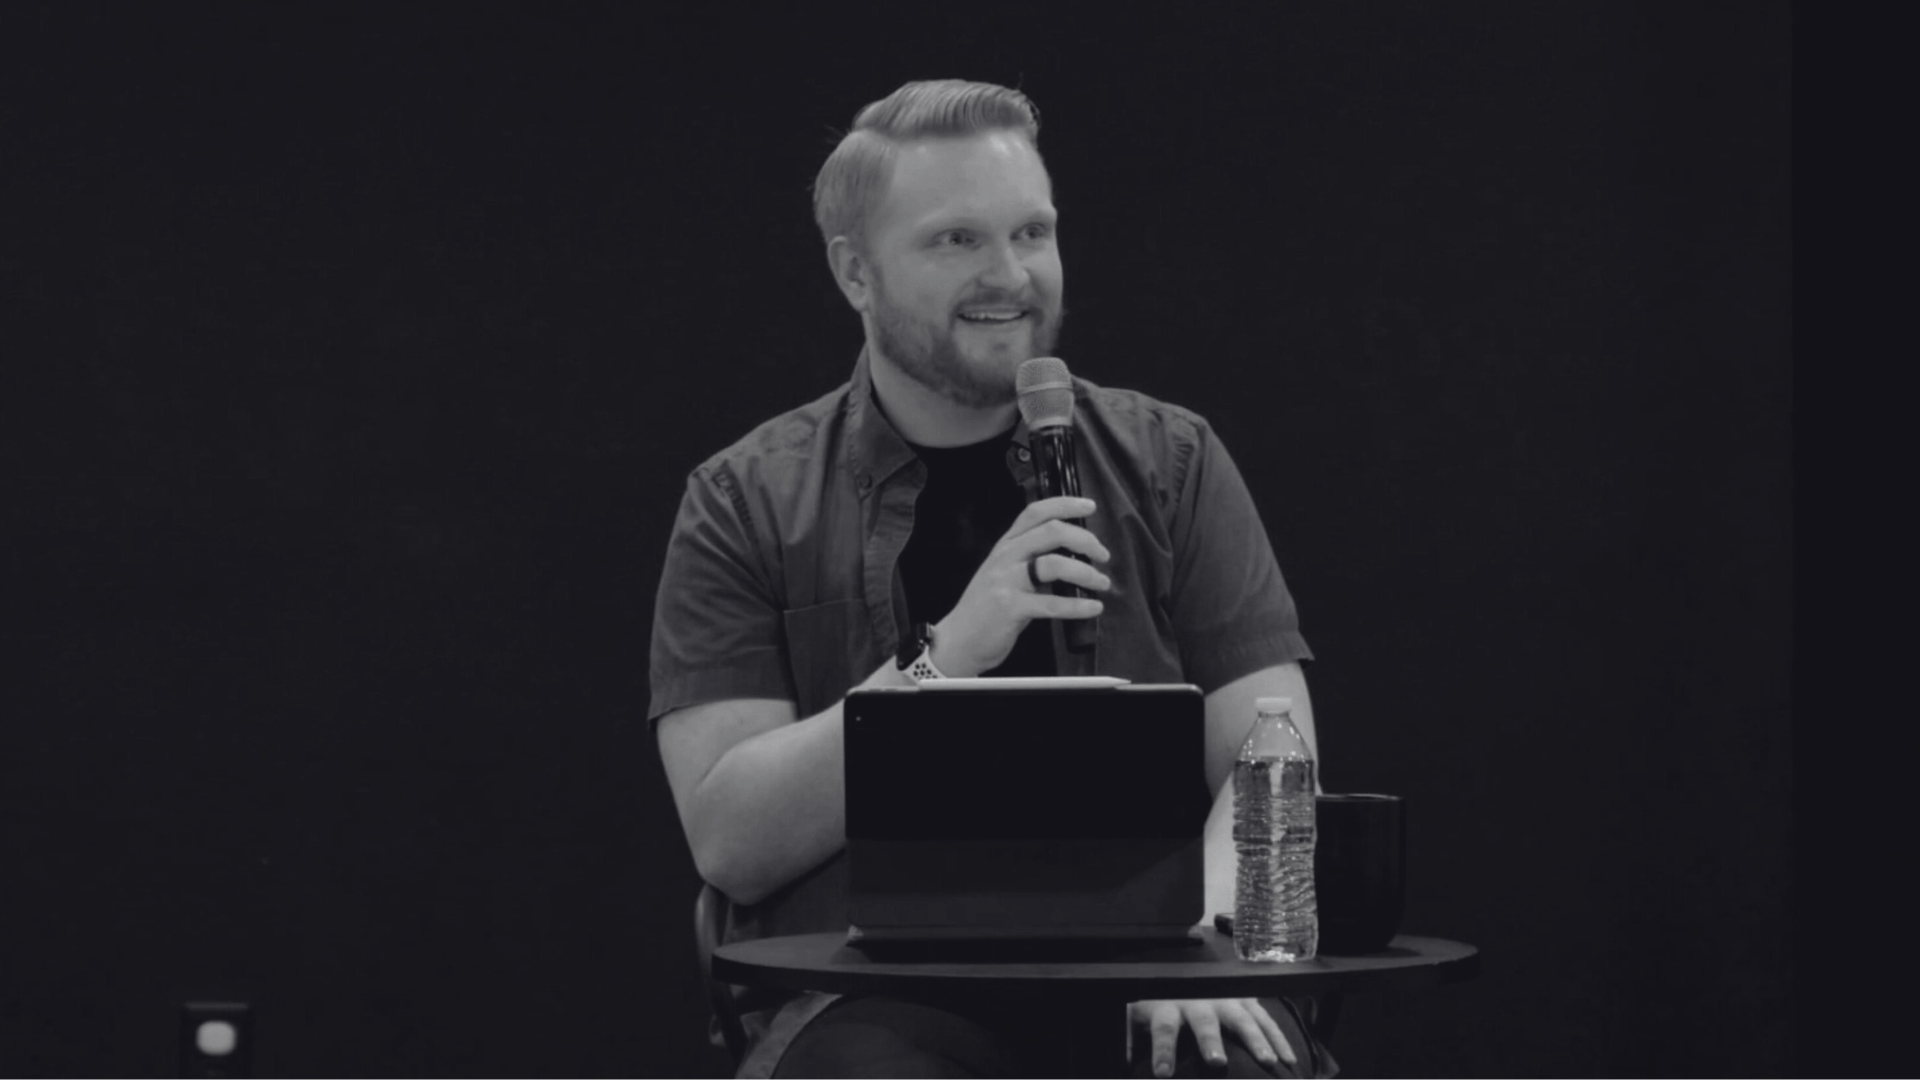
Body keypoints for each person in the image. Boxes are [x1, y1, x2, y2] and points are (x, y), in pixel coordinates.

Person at [650, 79, 1336, 1079]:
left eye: (1032, 233)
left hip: (1165, 962)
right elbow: (732, 843)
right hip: (869, 991)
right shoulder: (743, 498)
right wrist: (944, 661)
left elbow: (1272, 760)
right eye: (956, 239)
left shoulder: (1172, 461)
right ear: (854, 271)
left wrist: (1206, 948)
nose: (1010, 275)